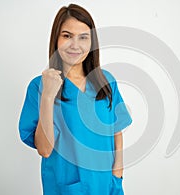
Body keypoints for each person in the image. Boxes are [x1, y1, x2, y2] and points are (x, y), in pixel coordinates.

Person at [18, 4, 132, 195]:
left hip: (108, 185)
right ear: (56, 39)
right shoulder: (38, 87)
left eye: (83, 37)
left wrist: (117, 174)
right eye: (67, 36)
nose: (75, 45)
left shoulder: (106, 81)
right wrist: (47, 97)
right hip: (66, 187)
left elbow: (117, 129)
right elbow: (45, 150)